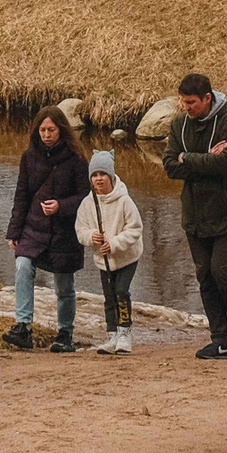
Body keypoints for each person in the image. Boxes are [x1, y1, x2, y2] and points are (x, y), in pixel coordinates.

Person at [160, 71, 227, 358]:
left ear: (207, 98)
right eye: (183, 102)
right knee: (205, 276)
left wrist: (187, 157)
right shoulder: (179, 125)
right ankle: (220, 338)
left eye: (191, 102)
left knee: (222, 272)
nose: (186, 107)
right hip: (195, 216)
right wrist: (205, 160)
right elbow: (169, 165)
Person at [5, 106, 91, 351]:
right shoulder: (29, 156)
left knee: (64, 285)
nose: (46, 134)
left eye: (51, 129)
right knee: (22, 266)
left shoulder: (77, 159)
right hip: (34, 227)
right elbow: (21, 195)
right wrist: (14, 231)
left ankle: (65, 333)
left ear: (61, 130)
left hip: (65, 231)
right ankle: (23, 327)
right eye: (42, 130)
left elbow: (86, 197)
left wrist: (61, 206)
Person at [75, 148, 145, 355]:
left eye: (102, 174)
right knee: (109, 296)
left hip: (126, 256)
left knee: (121, 291)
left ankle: (124, 333)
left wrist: (114, 244)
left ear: (111, 176)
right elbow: (80, 229)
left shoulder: (124, 201)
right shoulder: (87, 203)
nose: (98, 179)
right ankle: (112, 333)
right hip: (103, 260)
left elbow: (135, 228)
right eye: (94, 175)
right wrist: (91, 237)